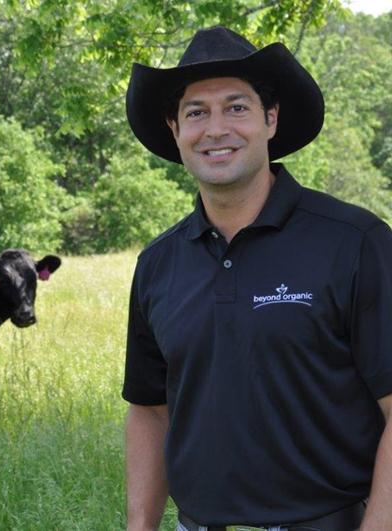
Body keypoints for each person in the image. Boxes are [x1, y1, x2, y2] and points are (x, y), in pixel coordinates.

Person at [121, 26, 392, 531]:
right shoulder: (158, 264)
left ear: (271, 119)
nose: (215, 128)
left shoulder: (355, 243)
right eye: (196, 112)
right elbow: (149, 411)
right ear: (175, 128)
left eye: (236, 107)